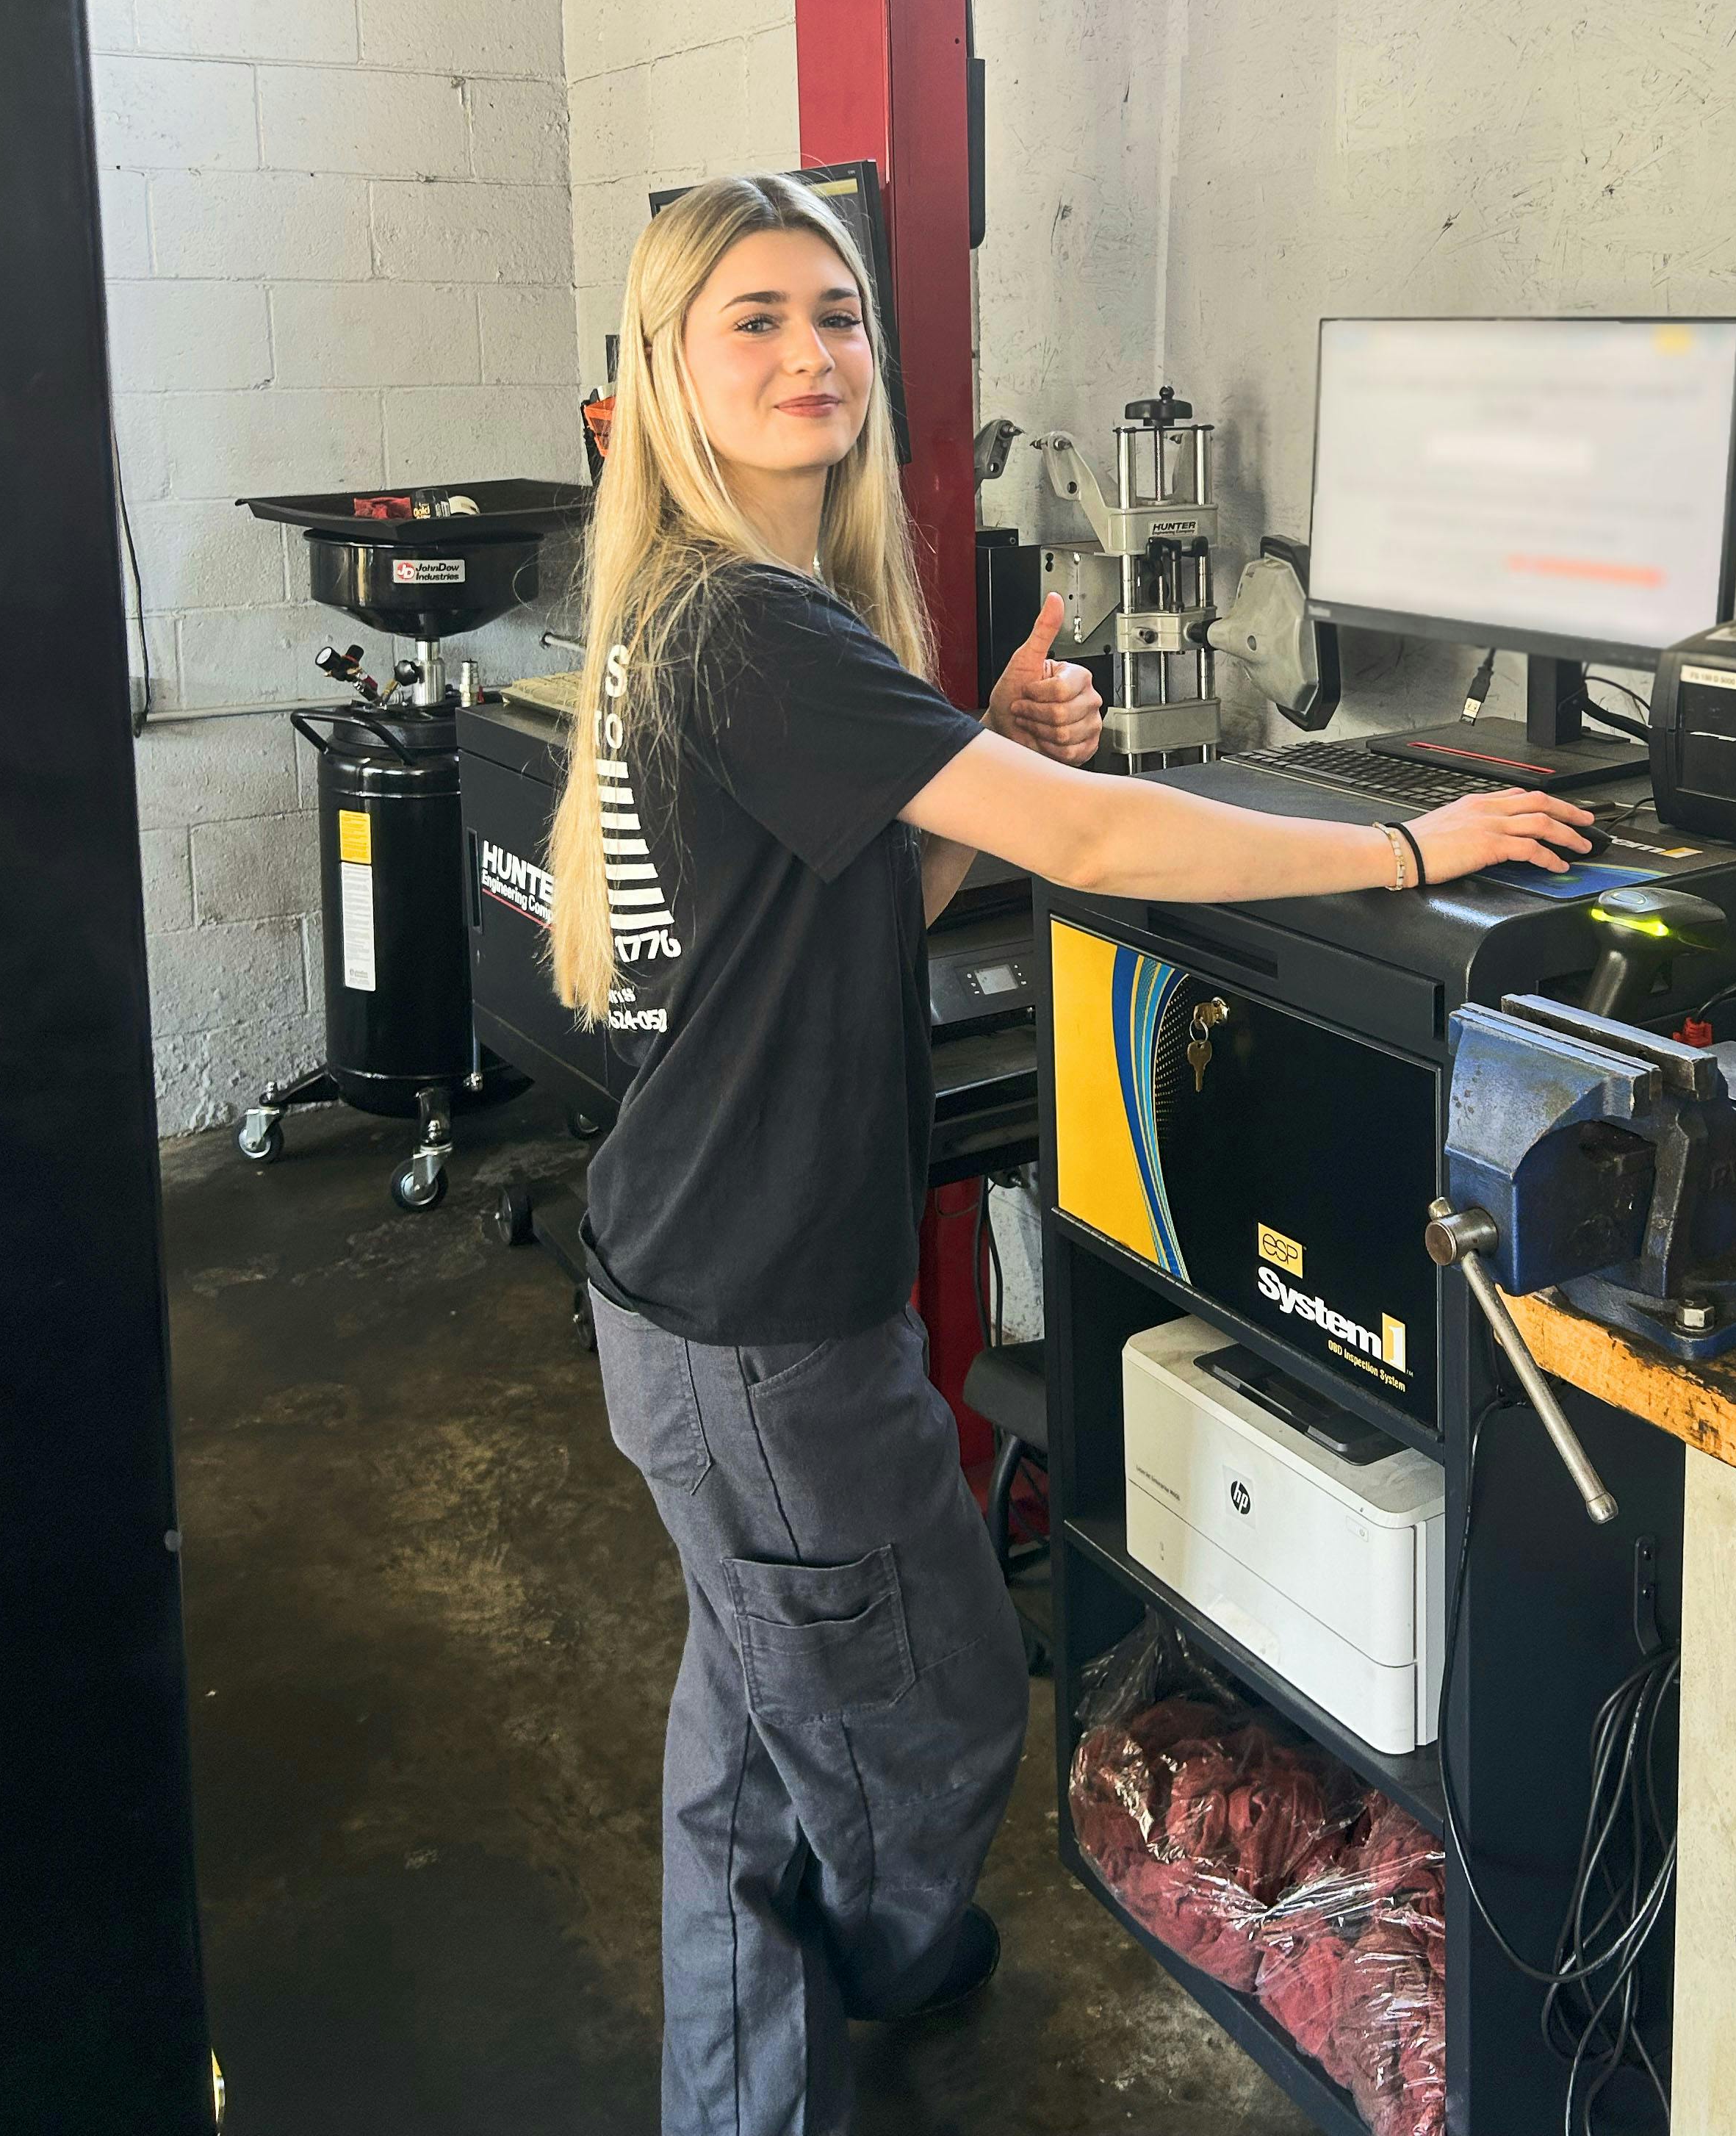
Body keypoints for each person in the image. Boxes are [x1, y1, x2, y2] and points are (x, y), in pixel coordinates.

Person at [550, 174, 1593, 2136]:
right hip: (766, 1323)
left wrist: (986, 748)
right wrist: (1403, 850)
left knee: (759, 1726)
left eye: (836, 317)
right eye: (755, 320)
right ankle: (845, 2000)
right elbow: (1102, 848)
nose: (811, 355)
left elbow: (856, 905)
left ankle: (824, 2020)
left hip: (695, 1295)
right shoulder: (749, 624)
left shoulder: (717, 611)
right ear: (670, 366)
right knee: (926, 1717)